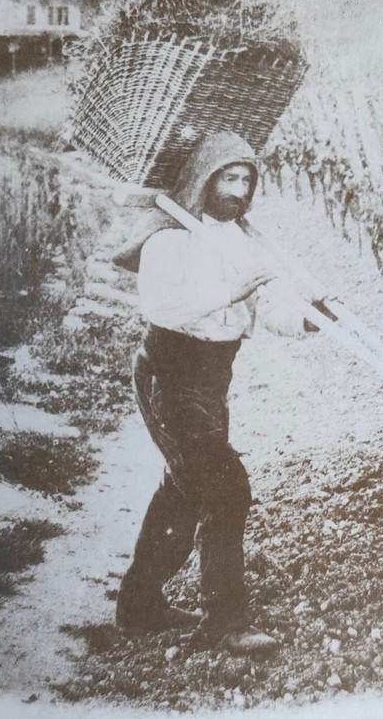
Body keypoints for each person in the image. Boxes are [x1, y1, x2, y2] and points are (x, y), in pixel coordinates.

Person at [113, 130, 311, 656]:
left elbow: (268, 309)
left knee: (185, 488)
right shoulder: (169, 236)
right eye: (229, 178)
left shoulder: (243, 239)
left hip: (214, 376)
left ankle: (138, 605)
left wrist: (306, 319)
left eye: (247, 180)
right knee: (225, 487)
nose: (239, 190)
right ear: (204, 178)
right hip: (170, 373)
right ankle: (224, 621)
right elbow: (159, 307)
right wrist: (229, 290)